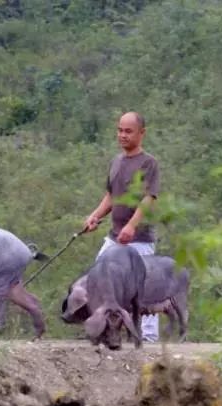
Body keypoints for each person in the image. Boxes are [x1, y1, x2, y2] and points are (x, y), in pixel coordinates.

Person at [82, 111, 162, 342]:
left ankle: (147, 338)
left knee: (142, 288)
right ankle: (102, 330)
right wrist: (94, 216)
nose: (123, 135)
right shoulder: (116, 162)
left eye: (128, 131)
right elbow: (111, 196)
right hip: (113, 237)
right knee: (96, 279)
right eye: (120, 130)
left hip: (139, 240)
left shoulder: (149, 163)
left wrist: (131, 226)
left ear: (141, 133)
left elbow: (149, 199)